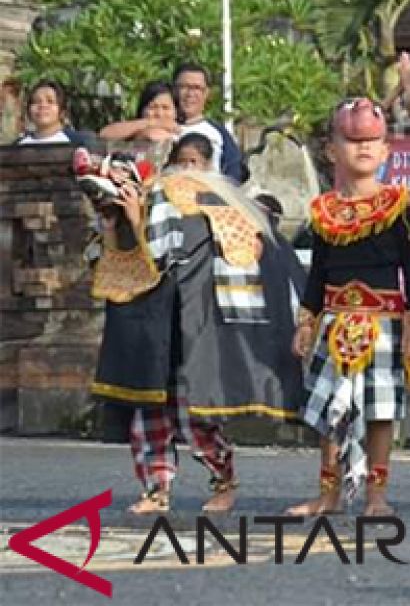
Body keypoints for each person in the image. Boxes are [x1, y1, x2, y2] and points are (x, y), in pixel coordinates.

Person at [80, 133, 304, 514]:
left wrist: (137, 220)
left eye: (195, 163)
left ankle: (224, 482)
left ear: (211, 167)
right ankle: (156, 490)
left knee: (195, 412)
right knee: (147, 409)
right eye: (181, 162)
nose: (187, 170)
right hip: (148, 325)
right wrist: (121, 217)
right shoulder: (155, 195)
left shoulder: (223, 210)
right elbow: (103, 258)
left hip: (194, 328)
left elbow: (163, 253)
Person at [288, 98, 410, 518]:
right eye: (353, 140)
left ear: (385, 149)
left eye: (373, 141)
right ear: (332, 151)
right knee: (332, 410)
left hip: (384, 321)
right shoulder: (324, 211)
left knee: (380, 411)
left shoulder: (397, 204)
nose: (364, 148)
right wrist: (306, 321)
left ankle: (376, 496)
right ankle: (328, 495)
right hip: (334, 321)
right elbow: (318, 274)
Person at [173, 62, 244, 181]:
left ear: (206, 93)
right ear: (173, 90)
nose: (190, 94)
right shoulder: (157, 131)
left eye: (196, 88)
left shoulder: (219, 134)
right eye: (184, 87)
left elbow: (234, 177)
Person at [99, 81, 183, 145]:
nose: (159, 113)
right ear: (142, 109)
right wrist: (151, 122)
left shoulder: (185, 133)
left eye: (165, 108)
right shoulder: (132, 129)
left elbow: (155, 137)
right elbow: (104, 134)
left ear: (176, 111)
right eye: (152, 107)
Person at [13, 79, 89, 146]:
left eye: (50, 101)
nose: (42, 106)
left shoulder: (80, 143)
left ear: (62, 111)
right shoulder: (17, 147)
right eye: (36, 101)